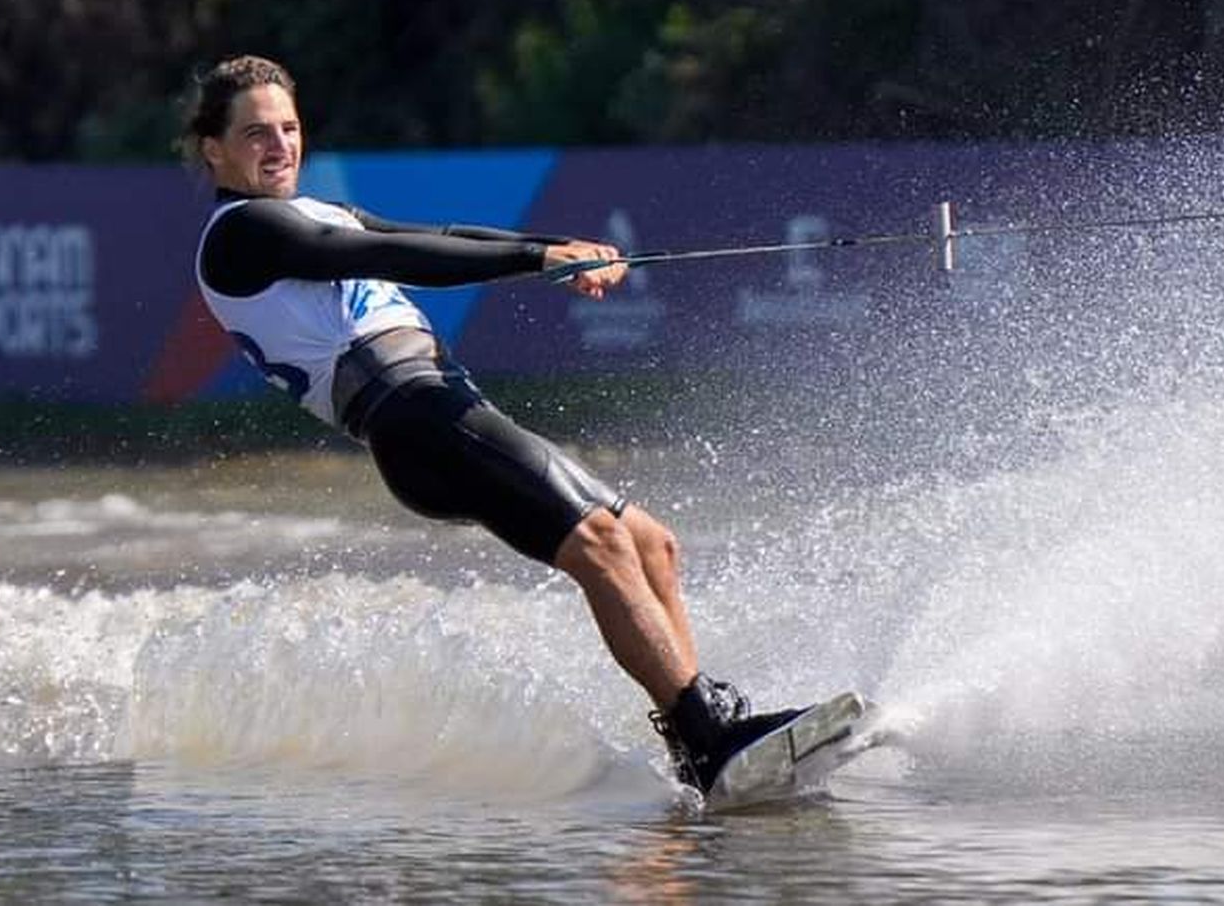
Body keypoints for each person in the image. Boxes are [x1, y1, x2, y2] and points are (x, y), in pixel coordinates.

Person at [182, 54, 802, 794]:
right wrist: (539, 256)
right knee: (600, 545)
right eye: (256, 134)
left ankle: (699, 733)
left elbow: (437, 231)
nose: (279, 146)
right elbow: (380, 252)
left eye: (289, 128)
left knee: (651, 545)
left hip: (446, 402)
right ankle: (710, 738)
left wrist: (559, 250)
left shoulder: (312, 210)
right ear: (213, 148)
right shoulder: (239, 232)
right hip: (409, 415)